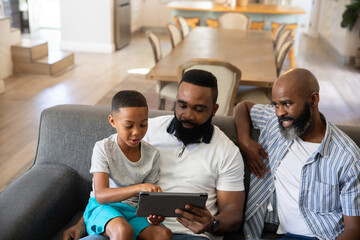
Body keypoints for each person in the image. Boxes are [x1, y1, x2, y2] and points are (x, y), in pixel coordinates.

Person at [63, 69, 245, 240]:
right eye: (182, 105)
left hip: (187, 234)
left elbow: (233, 214)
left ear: (214, 110)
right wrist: (83, 224)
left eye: (198, 109)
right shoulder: (144, 129)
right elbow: (104, 183)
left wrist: (211, 223)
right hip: (123, 223)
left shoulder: (227, 151)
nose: (187, 115)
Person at [234, 68, 360, 240]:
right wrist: (245, 141)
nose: (279, 113)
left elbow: (353, 229)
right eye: (275, 104)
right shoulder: (275, 123)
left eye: (287, 104)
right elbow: (243, 107)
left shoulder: (347, 157)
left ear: (313, 99)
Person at [81, 90, 172, 240]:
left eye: (143, 124)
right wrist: (139, 187)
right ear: (112, 121)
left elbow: (148, 199)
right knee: (123, 230)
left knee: (163, 234)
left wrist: (154, 214)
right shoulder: (103, 148)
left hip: (134, 211)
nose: (136, 132)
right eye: (129, 126)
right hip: (104, 208)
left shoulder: (152, 154)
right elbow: (101, 195)